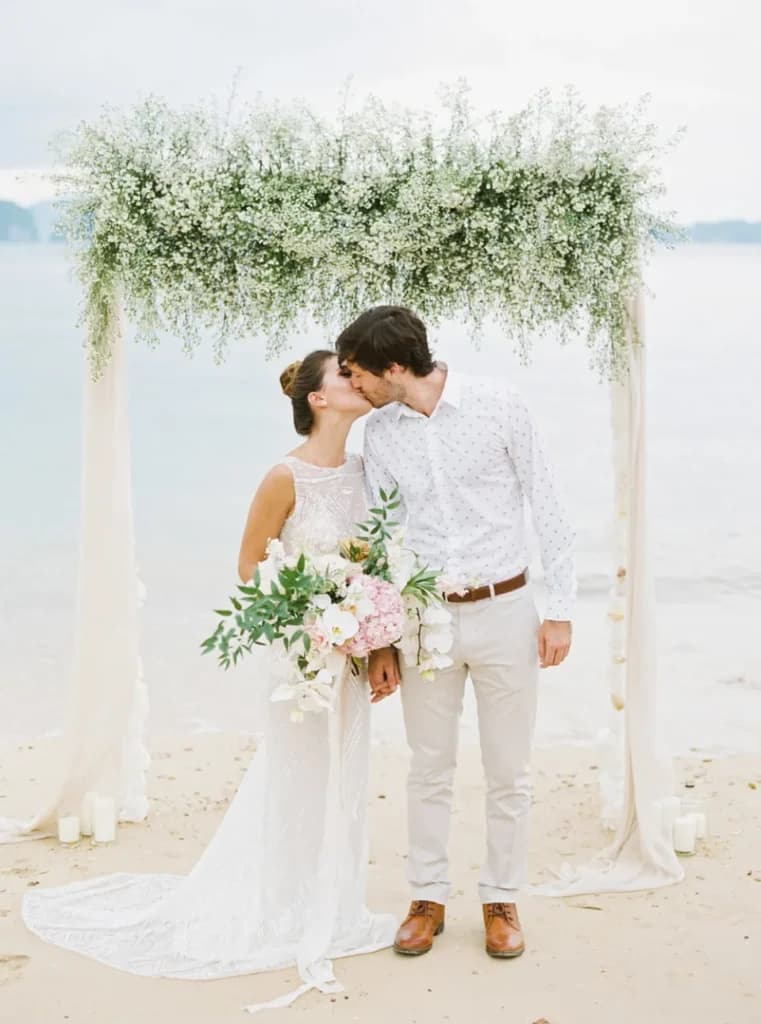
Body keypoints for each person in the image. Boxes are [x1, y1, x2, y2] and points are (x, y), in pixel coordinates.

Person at [23, 351, 396, 1011]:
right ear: (318, 398)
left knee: (346, 771)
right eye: (345, 374)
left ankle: (333, 901)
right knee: (295, 772)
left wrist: (371, 626)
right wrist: (315, 607)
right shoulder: (284, 476)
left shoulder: (368, 470)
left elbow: (379, 559)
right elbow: (250, 566)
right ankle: (280, 905)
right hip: (300, 652)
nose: (358, 379)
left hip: (352, 650)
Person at [336, 306, 576, 960]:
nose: (353, 385)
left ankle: (500, 899)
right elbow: (381, 536)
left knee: (509, 770)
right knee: (428, 767)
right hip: (424, 617)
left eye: (358, 373)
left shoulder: (500, 405)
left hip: (506, 609)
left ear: (393, 367)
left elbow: (548, 504)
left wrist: (559, 609)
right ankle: (426, 898)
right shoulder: (379, 434)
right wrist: (381, 640)